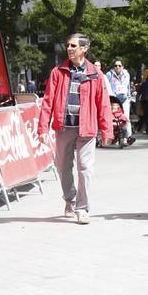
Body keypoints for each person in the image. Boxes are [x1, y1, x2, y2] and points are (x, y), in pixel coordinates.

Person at [35, 34, 114, 224]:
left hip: (86, 129)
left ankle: (82, 208)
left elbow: (103, 104)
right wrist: (42, 129)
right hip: (63, 128)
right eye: (67, 45)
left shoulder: (95, 73)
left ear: (84, 49)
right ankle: (69, 199)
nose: (69, 48)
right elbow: (47, 102)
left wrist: (107, 130)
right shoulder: (58, 72)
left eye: (73, 45)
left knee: (85, 168)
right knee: (63, 167)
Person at [105, 60, 132, 133]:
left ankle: (128, 136)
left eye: (119, 65)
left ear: (122, 67)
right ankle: (114, 135)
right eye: (116, 66)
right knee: (114, 118)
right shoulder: (109, 75)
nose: (117, 67)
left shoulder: (126, 75)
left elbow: (128, 86)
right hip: (114, 100)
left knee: (126, 118)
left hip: (124, 99)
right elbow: (106, 86)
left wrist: (129, 97)